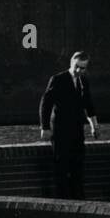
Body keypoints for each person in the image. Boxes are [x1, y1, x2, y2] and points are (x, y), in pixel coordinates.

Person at [39, 51, 99, 199]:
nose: (79, 71)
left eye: (83, 68)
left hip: (77, 129)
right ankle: (63, 199)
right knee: (61, 165)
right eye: (77, 67)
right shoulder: (58, 79)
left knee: (77, 164)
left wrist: (94, 125)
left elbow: (88, 104)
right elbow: (45, 104)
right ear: (71, 63)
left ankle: (78, 198)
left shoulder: (83, 81)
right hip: (60, 130)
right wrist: (45, 127)